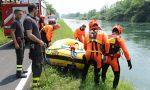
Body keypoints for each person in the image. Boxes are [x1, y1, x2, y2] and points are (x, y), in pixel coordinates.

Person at [101, 24, 132, 89]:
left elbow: (101, 46)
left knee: (103, 72)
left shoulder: (106, 36)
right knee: (117, 75)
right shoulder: (119, 39)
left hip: (105, 58)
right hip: (113, 60)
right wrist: (129, 61)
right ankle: (114, 88)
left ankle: (102, 84)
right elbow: (125, 51)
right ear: (120, 32)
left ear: (112, 30)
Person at [81, 20, 110, 85]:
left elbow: (85, 46)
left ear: (90, 26)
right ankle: (96, 84)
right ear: (97, 25)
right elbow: (107, 43)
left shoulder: (87, 34)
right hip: (97, 55)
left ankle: (82, 82)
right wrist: (106, 54)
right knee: (97, 70)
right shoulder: (102, 33)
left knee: (85, 68)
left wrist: (87, 51)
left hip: (88, 53)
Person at [23, 4, 44, 88]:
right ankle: (35, 85)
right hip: (35, 46)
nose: (38, 11)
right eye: (37, 9)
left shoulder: (33, 19)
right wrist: (39, 41)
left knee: (39, 64)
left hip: (37, 46)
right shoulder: (28, 20)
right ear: (33, 9)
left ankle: (37, 82)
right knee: (37, 64)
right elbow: (29, 34)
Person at [11, 9, 27, 78]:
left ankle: (21, 70)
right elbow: (12, 33)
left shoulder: (19, 21)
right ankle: (18, 74)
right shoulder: (14, 22)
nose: (21, 15)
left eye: (21, 14)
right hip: (19, 42)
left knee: (22, 56)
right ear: (15, 14)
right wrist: (16, 43)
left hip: (22, 42)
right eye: (20, 14)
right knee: (19, 58)